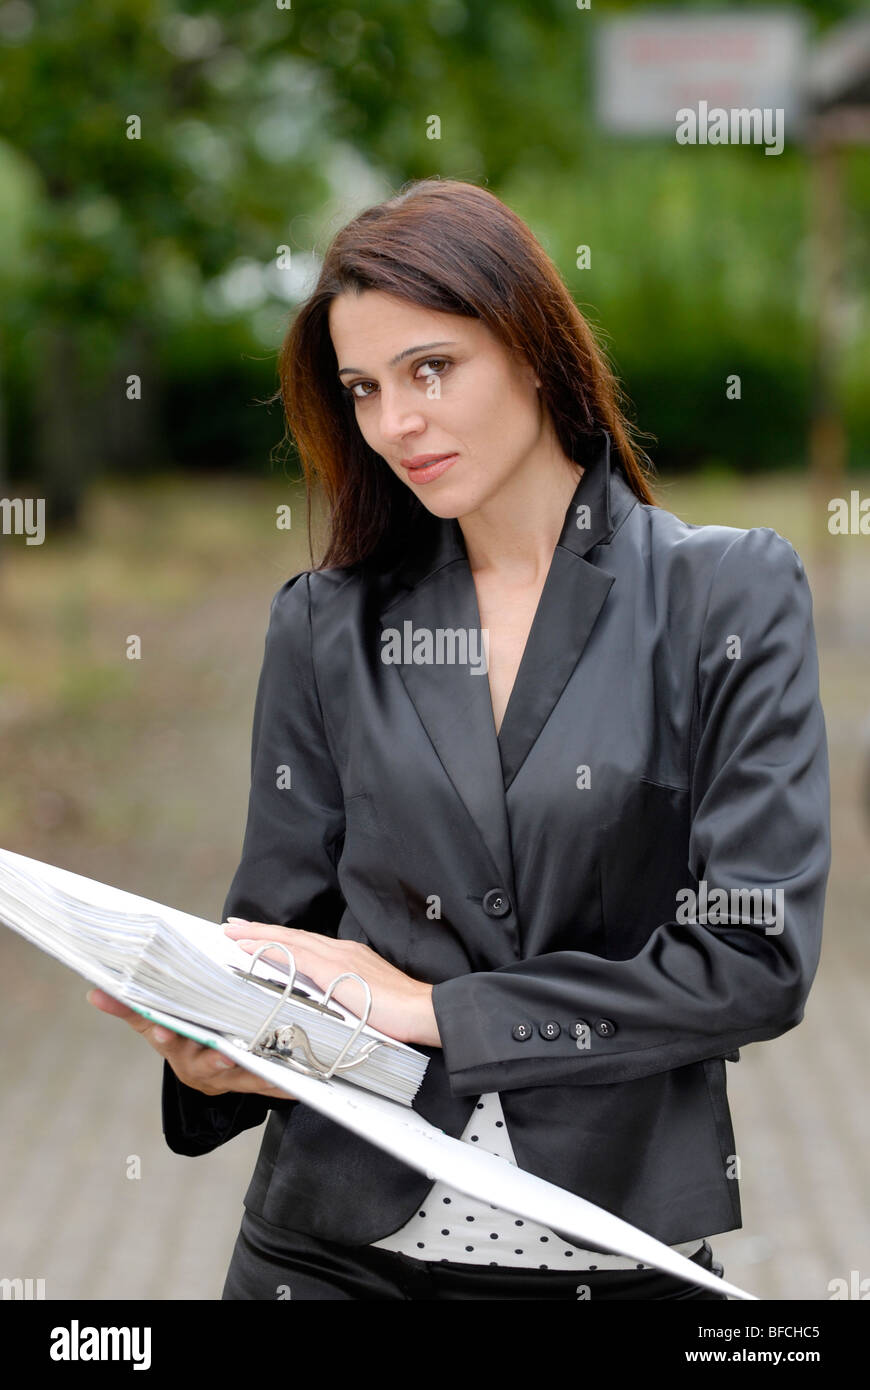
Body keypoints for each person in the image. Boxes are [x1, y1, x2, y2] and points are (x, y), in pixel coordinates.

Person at [89, 177, 831, 1300]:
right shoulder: (324, 622)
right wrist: (225, 1047)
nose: (395, 423)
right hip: (327, 1255)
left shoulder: (722, 595)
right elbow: (284, 936)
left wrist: (434, 1011)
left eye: (431, 369)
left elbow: (753, 961)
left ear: (534, 350)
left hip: (613, 1254)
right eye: (364, 388)